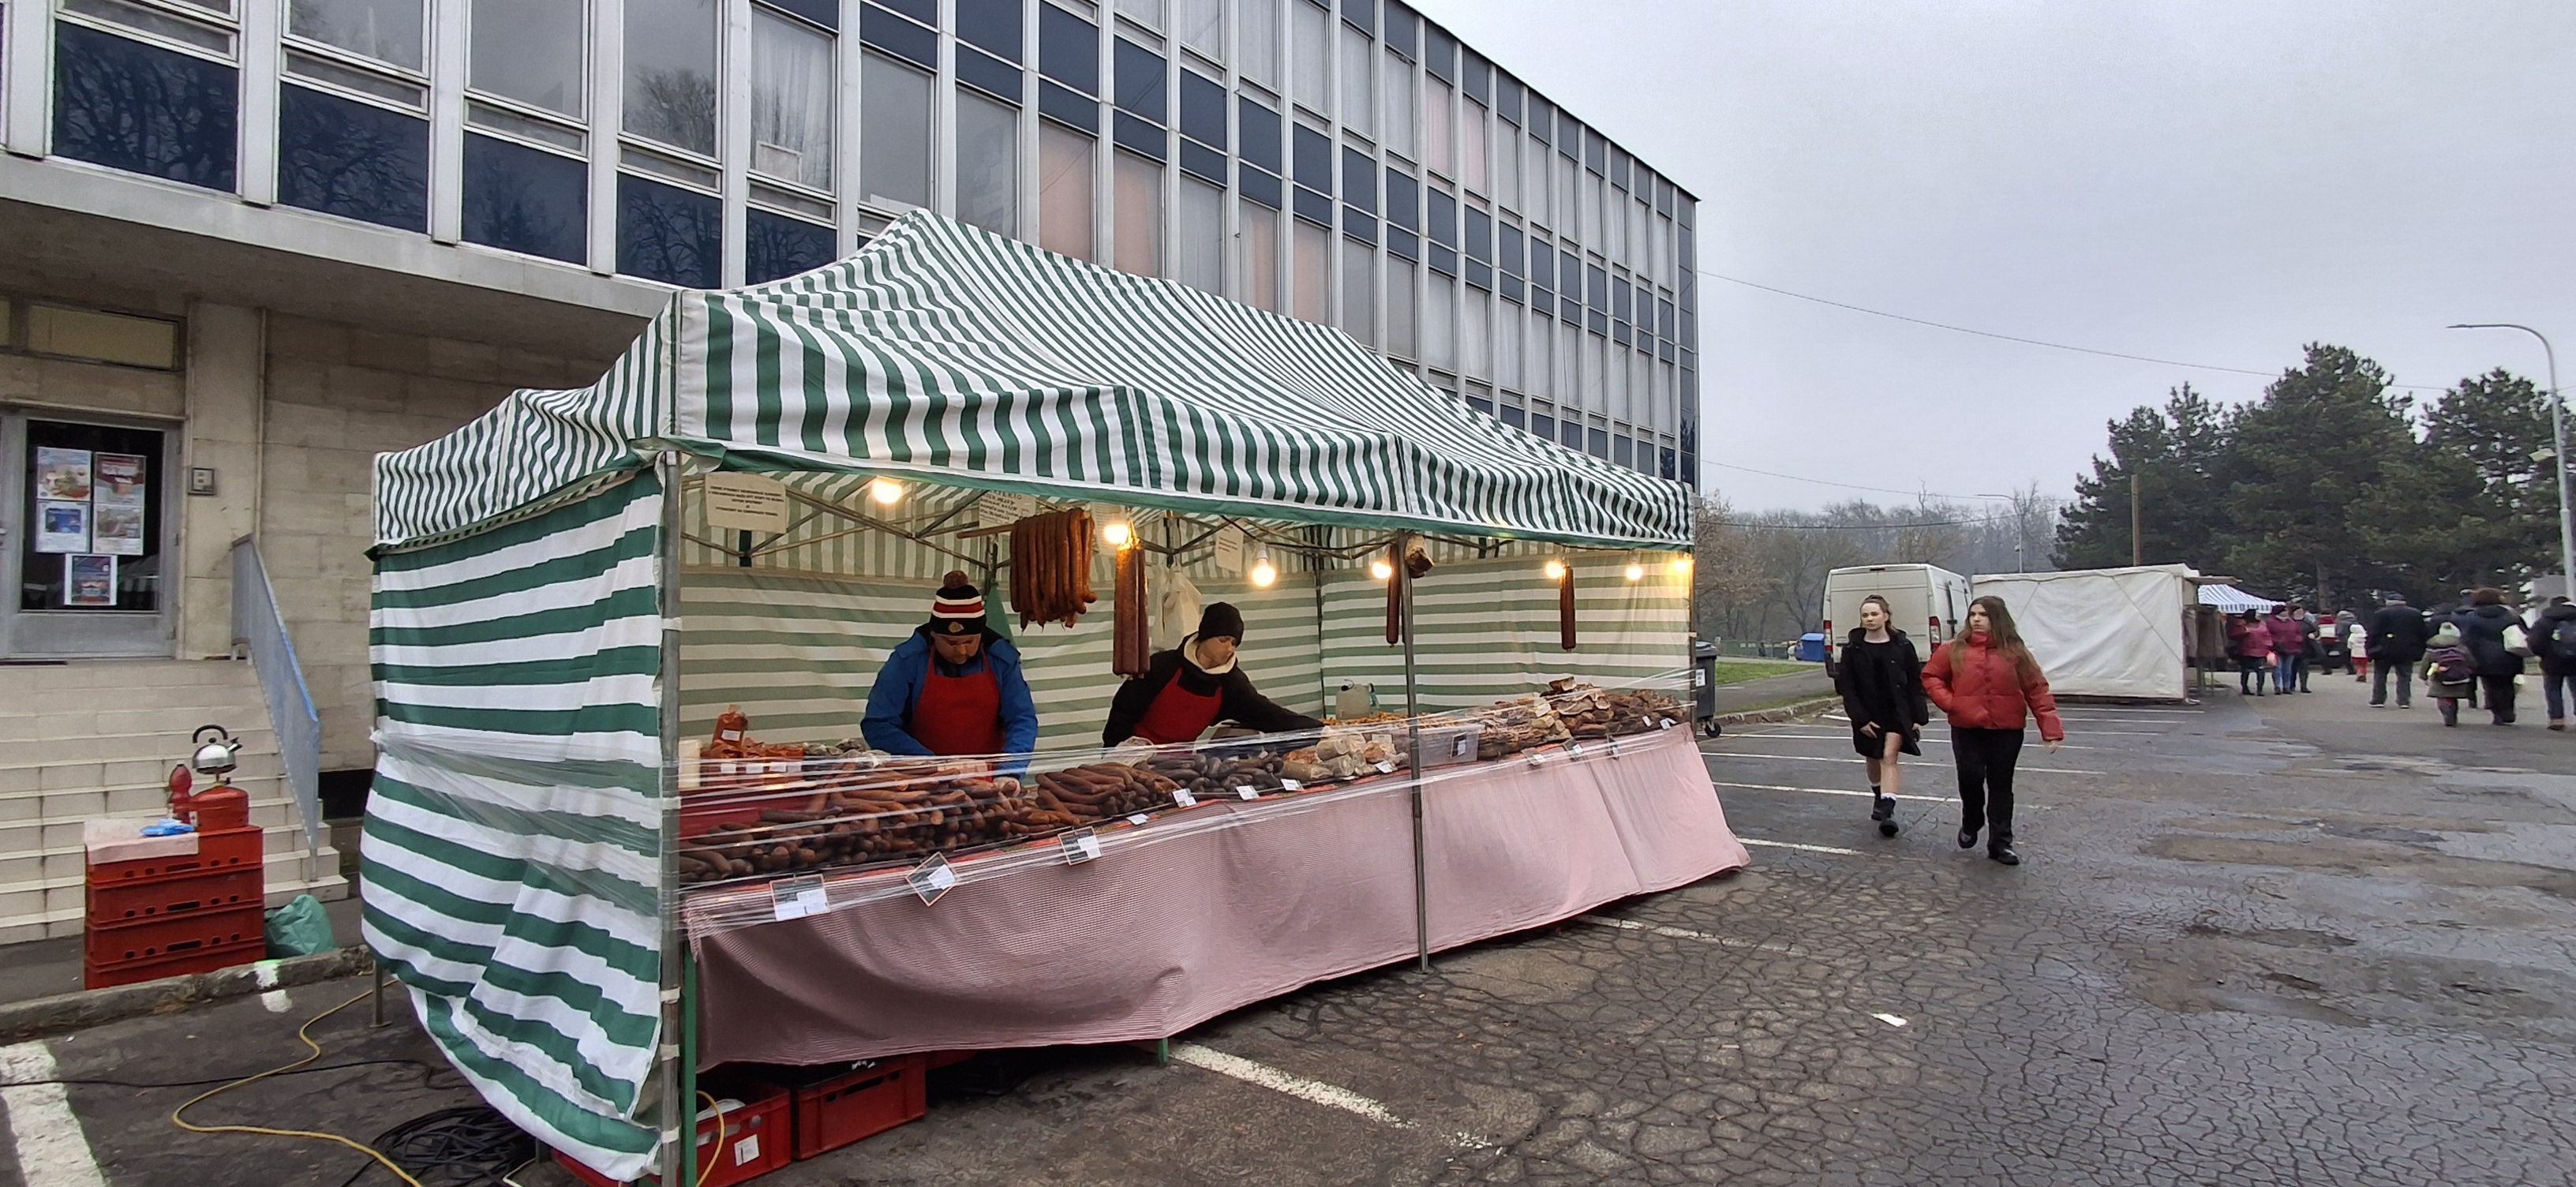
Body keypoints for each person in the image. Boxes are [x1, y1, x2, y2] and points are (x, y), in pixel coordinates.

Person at [1921, 596, 2065, 867]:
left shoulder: (2016, 652)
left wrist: (2050, 728)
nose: (1976, 619)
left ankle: (2001, 843)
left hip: (2007, 729)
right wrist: (1952, 703)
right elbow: (1931, 676)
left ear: (1997, 619)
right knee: (1970, 777)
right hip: (1967, 727)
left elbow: (2037, 688)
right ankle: (1972, 820)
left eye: (1984, 615)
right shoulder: (1954, 649)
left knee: (2001, 785)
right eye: (1973, 614)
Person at [863, 571, 1040, 778]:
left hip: (991, 780)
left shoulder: (1001, 660)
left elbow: (1022, 718)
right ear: (934, 634)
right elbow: (878, 724)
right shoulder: (907, 661)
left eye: (970, 641)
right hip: (923, 779)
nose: (961, 651)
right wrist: (930, 764)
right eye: (951, 643)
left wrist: (1010, 772)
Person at [1104, 602, 1324, 746]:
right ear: (1205, 637)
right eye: (1223, 640)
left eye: (1234, 643)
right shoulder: (1162, 666)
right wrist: (1115, 754)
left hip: (1179, 763)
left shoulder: (1231, 682)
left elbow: (1265, 713)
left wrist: (1318, 731)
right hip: (1135, 754)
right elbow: (1123, 711)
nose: (1230, 648)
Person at [1835, 594, 1929, 838]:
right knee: (1873, 756)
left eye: (1874, 614)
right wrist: (1860, 719)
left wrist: (1917, 715)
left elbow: (1914, 682)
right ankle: (1878, 795)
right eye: (1865, 615)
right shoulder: (1853, 649)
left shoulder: (1902, 646)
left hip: (1897, 711)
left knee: (1889, 756)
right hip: (1868, 712)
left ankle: (1888, 809)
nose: (1870, 619)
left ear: (1886, 616)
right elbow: (1847, 686)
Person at [2451, 587, 2528, 726]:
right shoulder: (2511, 615)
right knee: (2508, 684)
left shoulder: (2472, 617)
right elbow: (2523, 632)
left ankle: (2497, 713)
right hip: (2509, 654)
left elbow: (2467, 638)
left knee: (2491, 686)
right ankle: (2508, 710)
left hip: (2482, 656)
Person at [2368, 593, 2429, 709]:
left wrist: (2370, 649)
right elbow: (2422, 633)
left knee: (2380, 675)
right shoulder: (2415, 614)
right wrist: (2420, 648)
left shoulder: (2381, 613)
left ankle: (2378, 699)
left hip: (2384, 649)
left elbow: (2374, 633)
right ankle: (2404, 700)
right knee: (2404, 676)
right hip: (2407, 649)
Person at [2421, 623, 2477, 728]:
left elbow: (2425, 664)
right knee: (2453, 697)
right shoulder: (2461, 648)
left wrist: (2424, 676)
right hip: (2459, 678)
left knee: (2442, 696)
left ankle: (2446, 711)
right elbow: (2471, 662)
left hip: (2439, 677)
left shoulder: (2433, 649)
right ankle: (2453, 715)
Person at [2535, 596, 2576, 731]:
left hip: (2552, 660)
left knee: (2553, 688)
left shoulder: (2546, 620)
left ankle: (2557, 719)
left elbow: (2536, 641)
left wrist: (2543, 654)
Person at [2266, 605, 2309, 695]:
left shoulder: (2292, 622)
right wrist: (2275, 641)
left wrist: (2298, 639)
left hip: (2291, 648)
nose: (2286, 612)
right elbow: (2267, 634)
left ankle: (2287, 687)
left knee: (2288, 669)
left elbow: (2298, 633)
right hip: (2277, 648)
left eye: (2286, 611)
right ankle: (2278, 686)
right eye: (2284, 611)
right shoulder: (2271, 622)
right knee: (2277, 668)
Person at [2230, 608, 2274, 697]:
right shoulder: (2242, 625)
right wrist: (2243, 632)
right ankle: (2245, 688)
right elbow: (2234, 636)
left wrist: (2269, 646)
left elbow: (2267, 636)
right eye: (2257, 614)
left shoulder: (2263, 624)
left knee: (2261, 671)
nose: (2259, 615)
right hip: (2246, 652)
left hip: (2261, 651)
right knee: (2245, 671)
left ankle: (2260, 689)